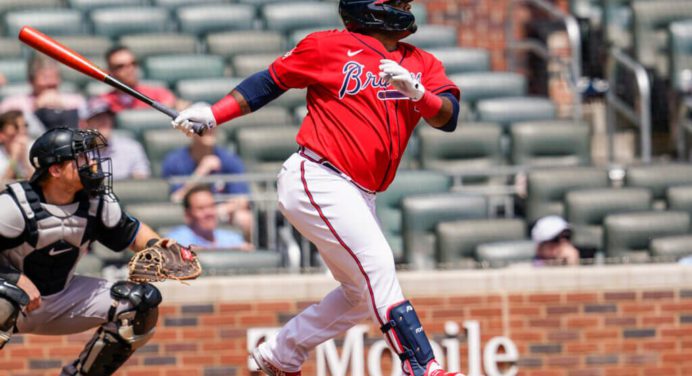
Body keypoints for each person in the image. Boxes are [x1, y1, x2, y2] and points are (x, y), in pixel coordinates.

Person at [172, 1, 462, 375]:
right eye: (395, 3)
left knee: (361, 296)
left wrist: (420, 95)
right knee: (378, 265)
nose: (403, 7)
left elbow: (449, 117)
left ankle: (281, 352)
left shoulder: (421, 61)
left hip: (361, 192)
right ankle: (422, 365)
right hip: (318, 174)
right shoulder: (328, 45)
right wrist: (214, 114)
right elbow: (269, 82)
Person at [0, 127, 176, 375]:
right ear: (55, 169)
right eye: (81, 157)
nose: (92, 163)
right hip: (15, 303)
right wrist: (14, 278)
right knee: (3, 299)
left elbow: (133, 233)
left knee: (139, 303)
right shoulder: (13, 205)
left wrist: (161, 248)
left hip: (64, 297)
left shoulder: (97, 202)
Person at [161, 125, 254, 242]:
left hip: (222, 212)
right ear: (191, 131)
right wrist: (201, 173)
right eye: (203, 126)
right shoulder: (175, 160)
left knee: (245, 218)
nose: (209, 130)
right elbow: (176, 198)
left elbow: (242, 199)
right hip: (191, 215)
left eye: (212, 125)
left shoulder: (229, 159)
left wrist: (216, 211)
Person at [0, 54, 86, 137]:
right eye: (45, 77)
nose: (50, 82)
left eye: (54, 76)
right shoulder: (13, 104)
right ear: (31, 80)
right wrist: (36, 109)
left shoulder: (75, 101)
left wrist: (61, 109)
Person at [80, 98, 151, 180]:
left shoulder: (131, 147)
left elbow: (142, 181)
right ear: (85, 124)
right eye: (98, 117)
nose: (104, 121)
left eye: (108, 116)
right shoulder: (79, 154)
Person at [165, 185, 253, 250]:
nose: (208, 213)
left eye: (211, 206)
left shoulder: (232, 238)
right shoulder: (176, 241)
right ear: (188, 214)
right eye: (201, 208)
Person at [99, 46, 178, 113]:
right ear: (109, 72)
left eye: (133, 63)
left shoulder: (158, 93)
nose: (130, 69)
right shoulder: (104, 101)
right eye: (120, 66)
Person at [0, 110, 33, 185]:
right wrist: (14, 158)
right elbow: (1, 185)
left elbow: (40, 185)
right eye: (16, 127)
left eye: (25, 125)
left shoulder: (34, 147)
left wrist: (25, 160)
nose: (23, 131)